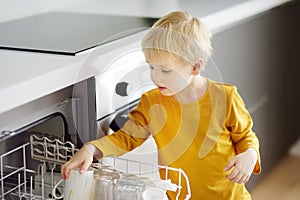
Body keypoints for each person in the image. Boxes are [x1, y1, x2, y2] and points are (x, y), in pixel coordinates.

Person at [61, 11, 261, 199]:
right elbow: (126, 138)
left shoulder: (225, 97)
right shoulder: (151, 102)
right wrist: (91, 149)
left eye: (165, 70)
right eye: (151, 67)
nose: (155, 77)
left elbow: (245, 137)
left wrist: (249, 155)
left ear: (195, 66)